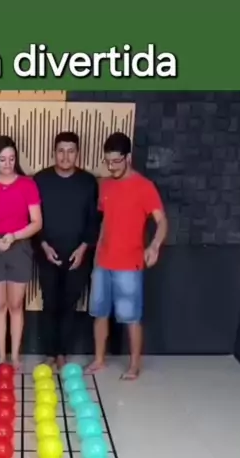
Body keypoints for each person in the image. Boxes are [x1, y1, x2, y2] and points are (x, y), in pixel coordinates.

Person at [87, 131, 167, 380]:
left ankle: (134, 366)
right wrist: (96, 256)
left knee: (131, 317)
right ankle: (99, 360)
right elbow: (106, 221)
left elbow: (162, 221)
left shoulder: (144, 187)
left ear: (128, 158)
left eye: (116, 161)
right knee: (99, 314)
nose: (111, 166)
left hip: (129, 265)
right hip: (103, 262)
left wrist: (154, 246)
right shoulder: (106, 185)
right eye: (108, 161)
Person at [34, 131, 100, 370]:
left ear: (77, 153)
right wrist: (43, 244)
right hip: (47, 252)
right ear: (54, 152)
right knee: (50, 303)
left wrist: (83, 249)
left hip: (78, 255)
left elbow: (94, 220)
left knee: (69, 305)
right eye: (61, 151)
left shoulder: (88, 182)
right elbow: (33, 217)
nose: (65, 156)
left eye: (70, 151)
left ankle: (62, 352)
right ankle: (50, 353)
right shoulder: (40, 180)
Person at [0, 135, 42, 369]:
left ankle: (15, 356)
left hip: (19, 248)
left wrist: (14, 236)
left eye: (11, 158)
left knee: (15, 305)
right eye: (2, 159)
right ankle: (2, 356)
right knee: (0, 305)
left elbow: (37, 222)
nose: (7, 164)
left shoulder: (27, 185)